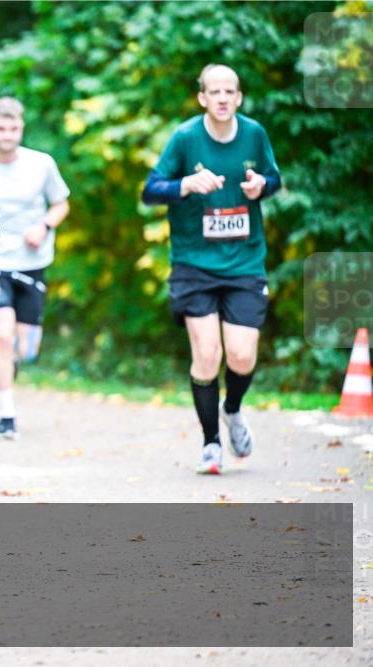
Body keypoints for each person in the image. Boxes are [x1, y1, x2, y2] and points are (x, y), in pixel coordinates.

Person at [141, 64, 281, 475]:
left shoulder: (254, 133)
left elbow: (274, 178)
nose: (222, 98)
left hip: (244, 262)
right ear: (202, 97)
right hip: (194, 263)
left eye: (230, 91)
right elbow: (151, 191)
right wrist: (184, 185)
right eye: (214, 91)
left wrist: (261, 186)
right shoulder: (185, 138)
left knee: (240, 355)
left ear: (239, 97)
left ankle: (232, 410)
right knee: (207, 354)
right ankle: (211, 444)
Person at [0, 97, 70, 440]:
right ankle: (7, 415)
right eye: (0, 128)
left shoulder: (41, 164)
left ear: (21, 128)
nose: (7, 134)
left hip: (33, 263)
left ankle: (9, 362)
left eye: (13, 128)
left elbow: (61, 203)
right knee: (1, 334)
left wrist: (44, 226)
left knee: (25, 349)